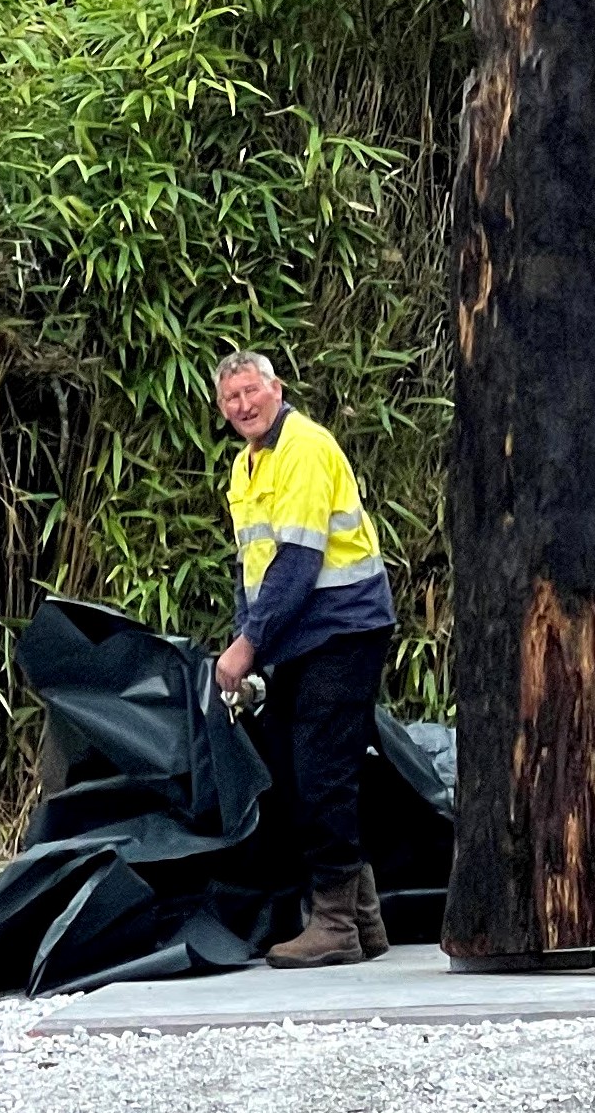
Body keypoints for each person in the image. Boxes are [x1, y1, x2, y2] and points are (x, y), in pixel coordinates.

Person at [212, 349, 397, 968]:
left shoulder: (305, 449)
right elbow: (254, 571)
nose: (242, 406)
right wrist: (251, 641)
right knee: (305, 774)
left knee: (322, 771)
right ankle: (363, 922)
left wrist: (246, 648)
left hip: (341, 627)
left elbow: (297, 563)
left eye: (250, 391)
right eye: (230, 398)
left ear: (276, 389)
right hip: (301, 637)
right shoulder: (245, 467)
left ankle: (336, 925)